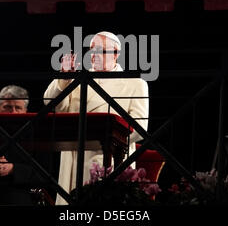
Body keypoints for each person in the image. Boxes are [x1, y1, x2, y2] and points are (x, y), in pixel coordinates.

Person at [44, 31, 149, 205]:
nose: (93, 55)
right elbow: (49, 103)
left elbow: (139, 127)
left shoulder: (134, 83)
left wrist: (111, 139)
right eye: (91, 50)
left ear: (116, 54)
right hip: (75, 156)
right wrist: (64, 77)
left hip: (109, 158)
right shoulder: (77, 79)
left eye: (99, 50)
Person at [0, 84, 52, 205]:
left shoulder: (37, 138)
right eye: (7, 107)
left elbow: (45, 176)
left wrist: (13, 169)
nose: (13, 112)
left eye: (18, 107)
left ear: (25, 111)